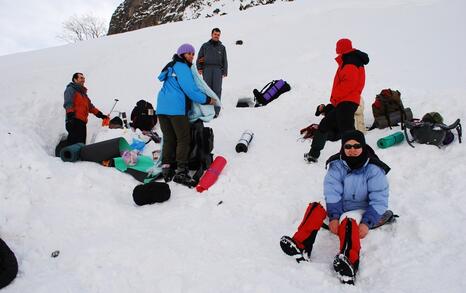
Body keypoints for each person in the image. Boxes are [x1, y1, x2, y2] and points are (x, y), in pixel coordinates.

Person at [281, 130, 390, 284]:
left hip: (362, 209)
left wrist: (367, 223)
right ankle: (301, 245)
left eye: (357, 146)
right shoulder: (336, 165)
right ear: (342, 148)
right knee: (316, 206)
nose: (352, 149)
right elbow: (332, 193)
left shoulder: (374, 169)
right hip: (339, 206)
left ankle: (350, 262)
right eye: (348, 146)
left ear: (363, 146)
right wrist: (333, 217)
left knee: (349, 220)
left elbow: (379, 200)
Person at [157, 44, 215, 185]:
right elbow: (191, 90)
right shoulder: (182, 68)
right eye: (188, 53)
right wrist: (208, 99)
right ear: (181, 54)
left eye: (192, 54)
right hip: (176, 109)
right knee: (183, 138)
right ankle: (181, 171)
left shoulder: (171, 66)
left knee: (169, 138)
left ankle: (166, 168)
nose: (191, 56)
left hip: (162, 108)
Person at [305, 38, 369, 163]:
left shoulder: (351, 62)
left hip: (347, 102)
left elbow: (348, 84)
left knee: (348, 134)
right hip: (344, 102)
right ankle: (313, 154)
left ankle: (355, 160)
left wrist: (335, 97)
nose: (336, 50)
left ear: (342, 48)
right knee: (325, 125)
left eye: (337, 47)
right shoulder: (349, 60)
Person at [63, 73, 108, 145]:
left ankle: (77, 156)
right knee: (74, 142)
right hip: (74, 120)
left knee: (81, 143)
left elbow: (90, 107)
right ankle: (65, 154)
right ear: (75, 79)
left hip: (82, 122)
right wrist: (70, 115)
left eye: (83, 78)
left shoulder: (84, 95)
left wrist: (100, 115)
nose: (83, 80)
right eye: (81, 78)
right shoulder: (70, 89)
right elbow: (68, 102)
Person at [196, 28, 228, 117]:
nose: (216, 36)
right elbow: (200, 58)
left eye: (218, 35)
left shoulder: (222, 47)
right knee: (207, 90)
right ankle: (207, 110)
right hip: (207, 69)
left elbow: (224, 60)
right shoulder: (205, 46)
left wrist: (224, 71)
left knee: (217, 90)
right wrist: (199, 68)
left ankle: (216, 111)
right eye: (215, 34)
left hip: (218, 70)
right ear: (211, 34)